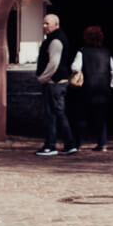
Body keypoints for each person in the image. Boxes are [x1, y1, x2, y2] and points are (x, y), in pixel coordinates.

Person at [34, 13, 77, 156]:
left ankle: (53, 145)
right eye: (44, 23)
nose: (44, 26)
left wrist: (42, 78)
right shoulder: (55, 38)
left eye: (47, 23)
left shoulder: (56, 41)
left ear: (56, 24)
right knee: (55, 114)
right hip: (56, 83)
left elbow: (54, 63)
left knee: (55, 114)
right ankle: (65, 144)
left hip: (55, 83)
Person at [70, 26, 113, 151]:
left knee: (81, 117)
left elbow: (75, 67)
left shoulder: (82, 51)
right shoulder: (106, 52)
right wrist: (110, 83)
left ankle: (78, 143)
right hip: (103, 89)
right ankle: (103, 144)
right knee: (101, 117)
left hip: (86, 88)